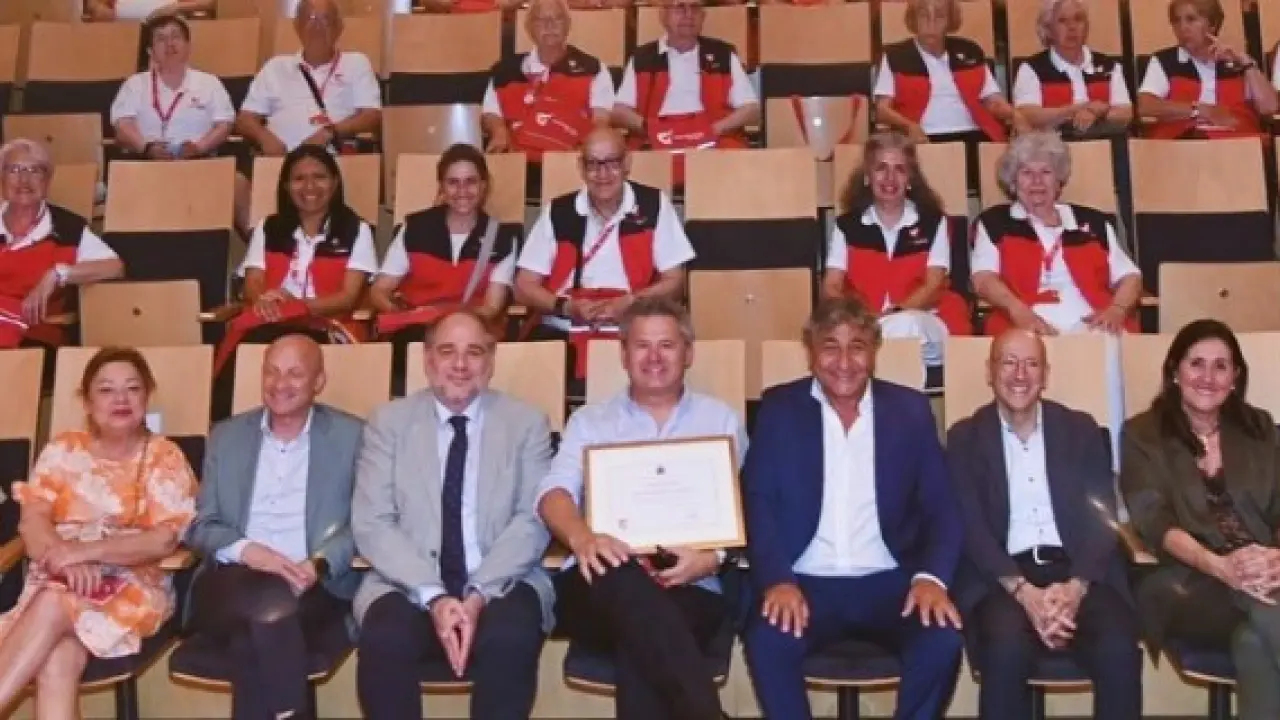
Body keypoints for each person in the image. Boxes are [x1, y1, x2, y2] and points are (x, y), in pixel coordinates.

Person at [742, 297, 964, 720]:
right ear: (811, 351)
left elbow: (942, 507)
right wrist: (777, 579)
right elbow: (757, 501)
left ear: (874, 352)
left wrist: (930, 578)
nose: (844, 362)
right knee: (767, 641)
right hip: (804, 582)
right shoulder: (779, 409)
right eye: (830, 346)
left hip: (891, 583)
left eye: (857, 347)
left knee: (942, 637)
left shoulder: (909, 410)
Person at [538, 296, 746, 720]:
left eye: (666, 345)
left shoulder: (720, 420)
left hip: (691, 584)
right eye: (641, 345)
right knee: (631, 590)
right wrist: (583, 538)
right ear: (623, 355)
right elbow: (552, 494)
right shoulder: (590, 422)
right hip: (601, 583)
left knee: (643, 641)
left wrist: (713, 558)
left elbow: (746, 508)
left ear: (688, 353)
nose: (654, 357)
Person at [354, 310, 552, 719]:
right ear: (427, 360)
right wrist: (434, 595)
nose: (460, 364)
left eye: (474, 352)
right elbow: (373, 523)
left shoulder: (527, 424)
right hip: (406, 581)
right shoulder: (388, 423)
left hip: (502, 579)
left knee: (510, 639)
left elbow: (532, 521)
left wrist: (478, 594)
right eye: (447, 352)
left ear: (490, 361)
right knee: (385, 638)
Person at [948, 329, 1141, 720]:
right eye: (1009, 362)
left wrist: (1074, 588)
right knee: (1005, 646)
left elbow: (1102, 517)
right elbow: (970, 526)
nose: (1020, 374)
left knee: (1119, 645)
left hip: (1080, 572)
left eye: (1031, 364)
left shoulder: (1081, 430)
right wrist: (1024, 593)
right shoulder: (965, 437)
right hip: (1003, 577)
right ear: (989, 372)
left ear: (1046, 374)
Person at [0, 347, 197, 717]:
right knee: (57, 661)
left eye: (132, 388)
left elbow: (163, 538)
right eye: (106, 390)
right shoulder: (63, 449)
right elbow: (33, 521)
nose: (121, 399)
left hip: (132, 586)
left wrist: (83, 553)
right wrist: (65, 561)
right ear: (88, 402)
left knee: (55, 601)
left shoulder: (164, 455)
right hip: (59, 575)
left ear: (146, 396)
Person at [186, 335, 362, 720]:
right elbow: (201, 524)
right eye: (272, 372)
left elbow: (364, 523)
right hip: (230, 581)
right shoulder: (227, 437)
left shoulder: (352, 437)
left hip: (311, 583)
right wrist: (250, 552)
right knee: (271, 602)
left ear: (318, 381)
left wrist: (317, 564)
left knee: (251, 640)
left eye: (295, 374)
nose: (281, 384)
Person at [1121, 319, 1280, 720]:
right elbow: (1153, 520)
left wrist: (1275, 559)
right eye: (1196, 363)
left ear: (1235, 377)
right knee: (1269, 611)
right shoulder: (1143, 434)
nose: (1208, 377)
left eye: (1220, 366)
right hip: (1184, 580)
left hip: (1265, 574)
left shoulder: (1260, 428)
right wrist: (1222, 567)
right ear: (1175, 371)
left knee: (1253, 643)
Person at [970, 130, 1139, 463]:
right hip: (1026, 318)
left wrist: (1118, 308)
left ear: (1059, 179)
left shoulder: (1093, 222)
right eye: (1026, 172)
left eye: (1045, 172)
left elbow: (1131, 276)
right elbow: (983, 278)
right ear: (1013, 181)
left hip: (1091, 318)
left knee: (1109, 344)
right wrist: (1018, 310)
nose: (1036, 182)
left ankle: (1114, 461)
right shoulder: (995, 223)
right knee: (1026, 351)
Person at [514, 128, 694, 385]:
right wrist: (566, 306)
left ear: (627, 163)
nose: (603, 174)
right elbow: (524, 285)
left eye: (612, 163)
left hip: (631, 328)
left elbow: (675, 282)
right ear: (581, 167)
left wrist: (632, 303)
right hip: (564, 327)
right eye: (593, 164)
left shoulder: (654, 204)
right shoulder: (558, 211)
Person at [213, 145, 379, 376]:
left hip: (327, 325)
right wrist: (266, 301)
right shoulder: (268, 227)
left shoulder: (356, 230)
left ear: (335, 183)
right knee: (248, 349)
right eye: (299, 179)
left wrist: (296, 307)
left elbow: (348, 297)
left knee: (286, 350)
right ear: (286, 186)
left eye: (319, 177)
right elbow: (253, 282)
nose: (309, 186)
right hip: (271, 322)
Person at [821, 131, 971, 369]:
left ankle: (870, 353)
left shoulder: (933, 223)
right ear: (867, 176)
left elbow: (932, 286)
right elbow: (831, 286)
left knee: (907, 324)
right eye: (881, 168)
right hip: (865, 326)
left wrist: (895, 314)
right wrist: (858, 320)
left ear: (910, 179)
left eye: (899, 169)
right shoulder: (847, 226)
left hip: (928, 324)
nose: (890, 178)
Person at [370, 144, 518, 345]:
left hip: (472, 330)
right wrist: (400, 314)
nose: (462, 191)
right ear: (441, 187)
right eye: (453, 182)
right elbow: (379, 290)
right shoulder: (415, 228)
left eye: (471, 182)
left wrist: (444, 320)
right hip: (417, 332)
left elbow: (491, 308)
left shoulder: (503, 238)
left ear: (484, 185)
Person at [0, 139, 123, 348]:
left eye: (35, 170)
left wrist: (57, 274)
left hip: (36, 343)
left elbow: (115, 267)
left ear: (47, 181)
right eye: (14, 169)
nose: (24, 179)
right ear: (1, 178)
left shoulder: (68, 228)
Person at [612, 0, 759, 157]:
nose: (689, 15)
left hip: (713, 138)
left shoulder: (723, 54)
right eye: (680, 7)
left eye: (695, 7)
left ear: (703, 16)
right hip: (657, 139)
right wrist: (651, 129)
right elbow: (619, 111)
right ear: (663, 15)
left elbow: (751, 109)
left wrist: (714, 130)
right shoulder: (642, 57)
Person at [238, 0, 383, 157]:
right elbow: (245, 119)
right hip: (282, 160)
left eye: (325, 19)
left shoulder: (356, 63)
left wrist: (331, 131)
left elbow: (372, 116)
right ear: (297, 26)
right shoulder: (275, 67)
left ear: (339, 28)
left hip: (334, 159)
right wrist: (264, 137)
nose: (317, 27)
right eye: (310, 18)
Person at [875, 0, 1027, 145]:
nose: (931, 24)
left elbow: (993, 101)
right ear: (914, 19)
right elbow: (881, 110)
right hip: (924, 136)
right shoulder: (896, 56)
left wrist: (1016, 115)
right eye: (924, 15)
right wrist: (908, 126)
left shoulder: (970, 51)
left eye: (940, 16)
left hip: (975, 134)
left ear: (950, 21)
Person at [481, 0, 615, 159]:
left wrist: (583, 148)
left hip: (568, 159)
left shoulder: (593, 68)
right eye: (540, 19)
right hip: (517, 157)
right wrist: (499, 131)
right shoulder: (505, 71)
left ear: (568, 25)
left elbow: (600, 120)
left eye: (557, 18)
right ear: (529, 28)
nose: (549, 25)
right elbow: (491, 112)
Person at [1136, 0, 1277, 139]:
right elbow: (1146, 106)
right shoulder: (1165, 60)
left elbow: (1269, 108)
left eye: (1191, 19)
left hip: (1236, 141)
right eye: (1176, 21)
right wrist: (1200, 111)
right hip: (1183, 142)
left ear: (1212, 25)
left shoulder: (1239, 63)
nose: (1182, 28)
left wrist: (1246, 63)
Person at [110, 14, 235, 161]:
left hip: (199, 162)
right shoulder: (134, 84)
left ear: (188, 46)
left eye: (175, 37)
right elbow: (122, 127)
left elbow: (224, 125)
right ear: (150, 51)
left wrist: (199, 147)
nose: (169, 43)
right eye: (161, 39)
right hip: (146, 163)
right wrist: (146, 148)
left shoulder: (210, 83)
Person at [1012, 0, 1134, 135]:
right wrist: (1074, 111)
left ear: (1086, 27)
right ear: (1048, 30)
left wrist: (1097, 112)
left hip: (1104, 141)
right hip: (1053, 143)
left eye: (1078, 19)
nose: (1072, 27)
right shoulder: (1031, 68)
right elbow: (1027, 114)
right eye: (1062, 21)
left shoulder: (1109, 66)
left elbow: (1126, 113)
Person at [84, 0, 212, 21]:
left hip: (173, 30)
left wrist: (178, 7)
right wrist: (100, 11)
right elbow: (92, 6)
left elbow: (210, 3)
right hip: (123, 35)